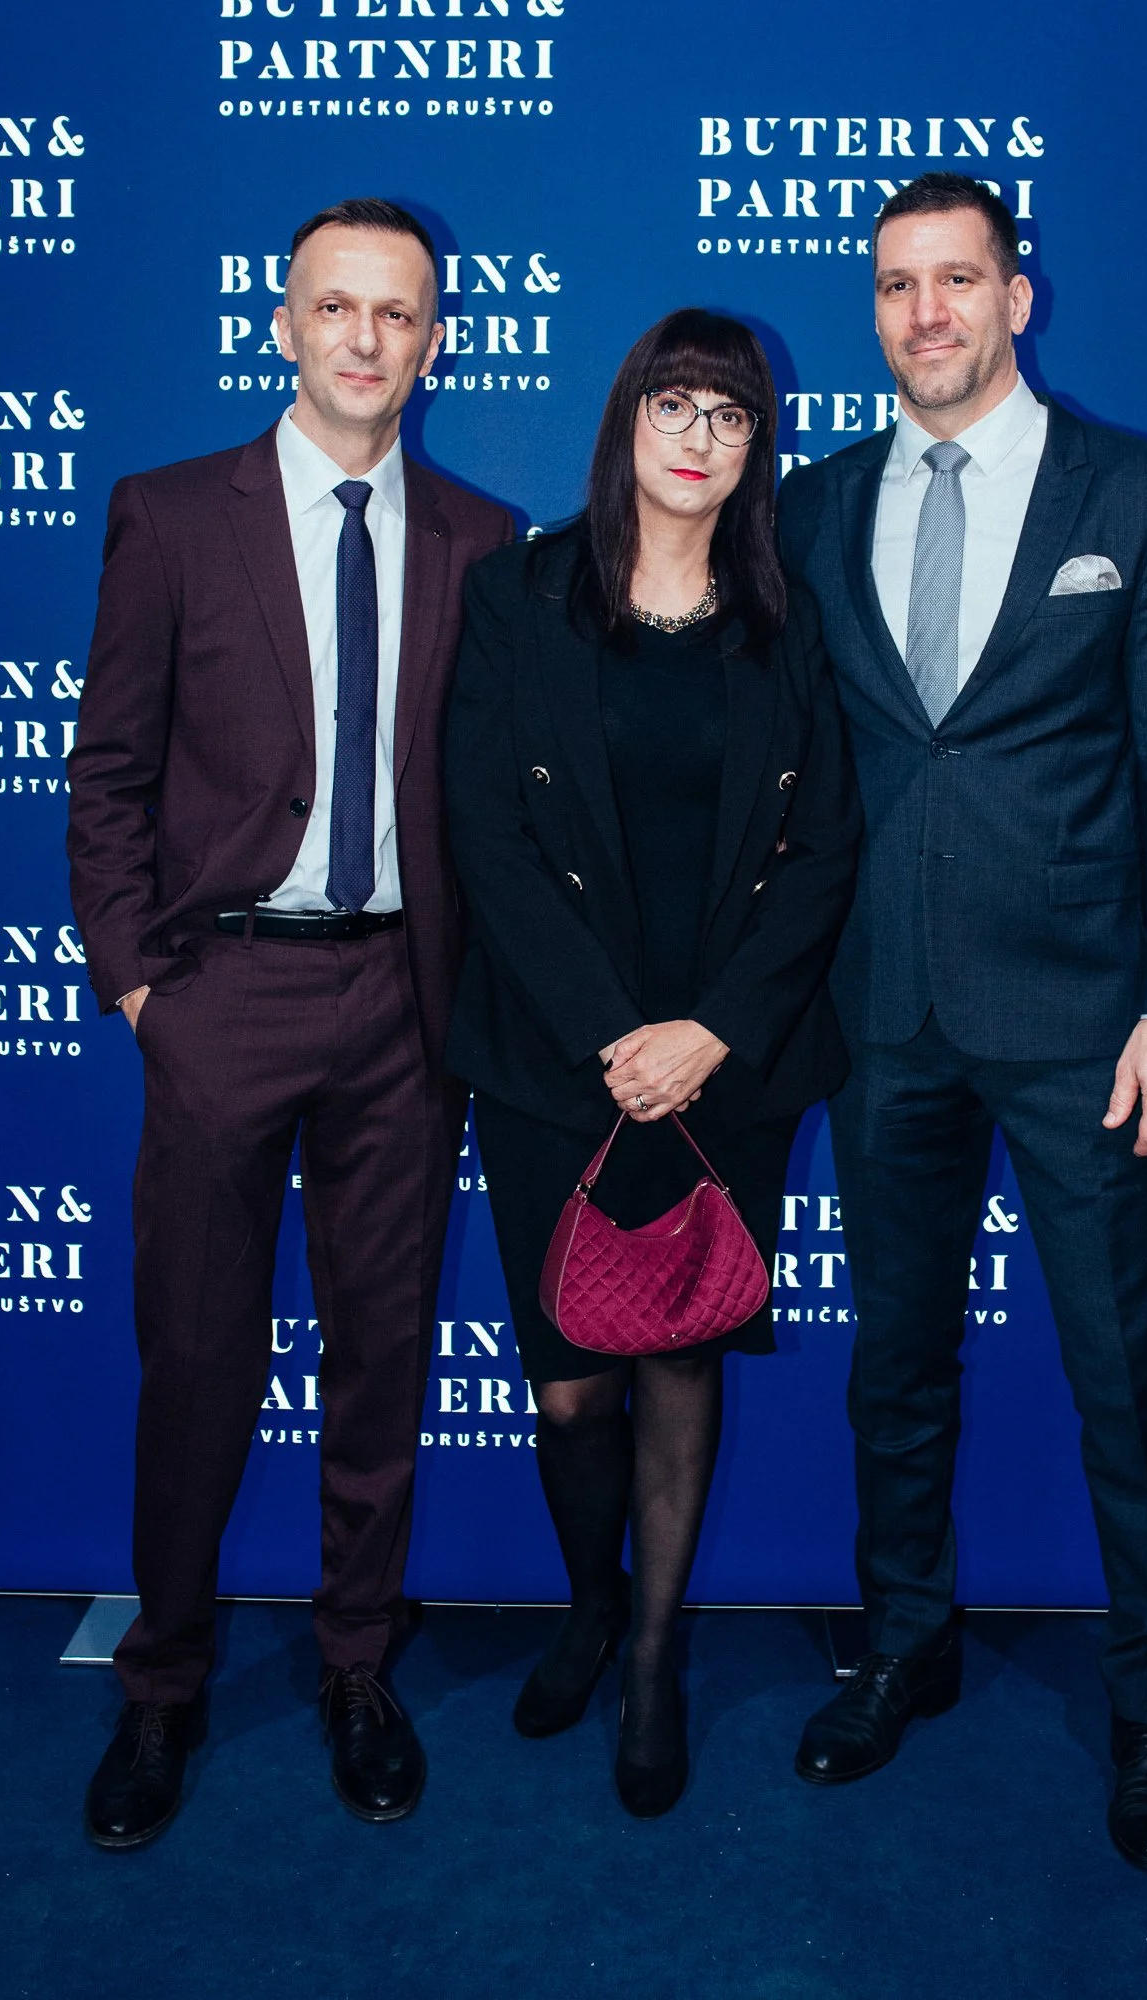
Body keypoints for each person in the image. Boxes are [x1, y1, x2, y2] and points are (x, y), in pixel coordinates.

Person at [777, 174, 1147, 1873]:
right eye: (897, 285)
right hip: (883, 1013)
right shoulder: (816, 506)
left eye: (956, 280)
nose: (926, 314)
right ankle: (905, 1642)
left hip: (1082, 1026)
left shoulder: (1143, 490)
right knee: (893, 1364)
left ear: (1017, 298)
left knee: (1125, 1378)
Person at [67, 198, 511, 1848]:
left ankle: (354, 1665)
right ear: (283, 322)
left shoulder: (484, 537)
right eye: (337, 307)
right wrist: (140, 986)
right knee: (195, 1358)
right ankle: (164, 1689)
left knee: (382, 1357)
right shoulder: (173, 516)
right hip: (221, 996)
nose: (367, 340)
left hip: (403, 1002)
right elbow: (107, 774)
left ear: (439, 338)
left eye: (399, 314)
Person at [445, 309, 860, 1818]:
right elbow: (481, 831)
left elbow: (825, 853)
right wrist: (610, 1036)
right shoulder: (516, 598)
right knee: (570, 1389)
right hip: (560, 1057)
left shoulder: (788, 618)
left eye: (731, 416)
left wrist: (713, 1033)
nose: (698, 435)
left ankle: (655, 1661)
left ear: (759, 448)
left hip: (724, 1066)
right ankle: (587, 1606)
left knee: (679, 1358)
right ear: (627, 419)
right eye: (675, 405)